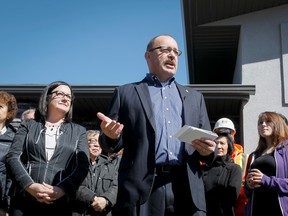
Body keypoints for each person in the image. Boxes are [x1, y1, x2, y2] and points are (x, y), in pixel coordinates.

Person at [96, 34, 217, 216]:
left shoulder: (195, 98)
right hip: (141, 189)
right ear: (148, 56)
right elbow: (109, 143)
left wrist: (209, 151)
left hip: (187, 189)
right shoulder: (126, 93)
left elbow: (210, 148)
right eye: (165, 50)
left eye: (176, 52)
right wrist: (110, 136)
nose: (172, 55)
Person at [6, 81, 90, 216]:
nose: (65, 98)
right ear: (47, 97)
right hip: (24, 201)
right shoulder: (28, 126)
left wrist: (62, 189)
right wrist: (30, 186)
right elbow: (12, 157)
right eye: (60, 94)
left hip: (60, 203)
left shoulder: (79, 131)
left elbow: (83, 166)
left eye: (69, 96)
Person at [244, 111, 288, 216]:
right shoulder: (254, 155)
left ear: (277, 124)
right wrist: (249, 185)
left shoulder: (286, 149)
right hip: (256, 209)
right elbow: (246, 191)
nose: (263, 124)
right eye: (260, 122)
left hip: (278, 210)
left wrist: (266, 180)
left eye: (268, 121)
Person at [72, 130, 118, 216]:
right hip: (80, 211)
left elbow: (115, 187)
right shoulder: (74, 162)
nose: (97, 145)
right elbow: (72, 184)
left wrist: (105, 200)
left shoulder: (109, 164)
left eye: (99, 142)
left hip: (103, 212)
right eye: (92, 141)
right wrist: (94, 198)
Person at [213, 117, 248, 216]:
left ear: (233, 135)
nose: (223, 137)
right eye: (219, 134)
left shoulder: (244, 158)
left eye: (227, 134)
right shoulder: (207, 159)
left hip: (239, 210)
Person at [202, 133, 242, 216]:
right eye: (216, 143)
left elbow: (232, 198)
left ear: (229, 147)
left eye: (222, 143)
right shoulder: (203, 169)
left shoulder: (234, 169)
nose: (218, 146)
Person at [0, 91, 18, 216]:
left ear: (9, 113)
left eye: (0, 106)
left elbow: (11, 177)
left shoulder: (14, 140)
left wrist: (5, 207)